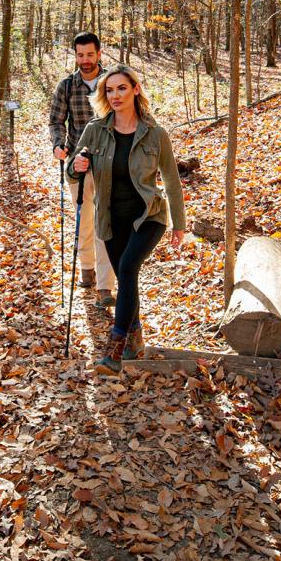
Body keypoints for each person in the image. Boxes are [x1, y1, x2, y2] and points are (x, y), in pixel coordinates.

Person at [69, 64, 186, 374]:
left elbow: (172, 182)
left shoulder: (155, 134)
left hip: (149, 216)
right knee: (125, 278)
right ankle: (135, 336)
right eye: (110, 90)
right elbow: (73, 167)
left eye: (122, 88)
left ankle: (116, 347)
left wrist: (179, 224)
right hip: (111, 218)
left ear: (135, 89)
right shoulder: (96, 130)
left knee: (127, 267)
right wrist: (78, 163)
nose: (116, 95)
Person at [48, 33, 115, 303]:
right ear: (75, 55)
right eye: (80, 55)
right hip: (78, 163)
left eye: (90, 54)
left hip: (109, 162)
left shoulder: (112, 83)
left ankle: (105, 285)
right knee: (84, 219)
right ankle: (86, 267)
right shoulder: (66, 86)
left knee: (105, 222)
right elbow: (55, 121)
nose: (85, 60)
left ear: (99, 54)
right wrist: (57, 144)